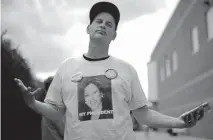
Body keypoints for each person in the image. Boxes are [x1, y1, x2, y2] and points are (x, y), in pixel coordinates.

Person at [14, 2, 203, 140]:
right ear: (88, 28)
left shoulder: (126, 70)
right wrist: (33, 104)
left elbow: (144, 115)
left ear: (114, 35)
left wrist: (180, 123)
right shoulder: (67, 68)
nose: (103, 25)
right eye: (99, 21)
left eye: (109, 24)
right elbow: (56, 112)